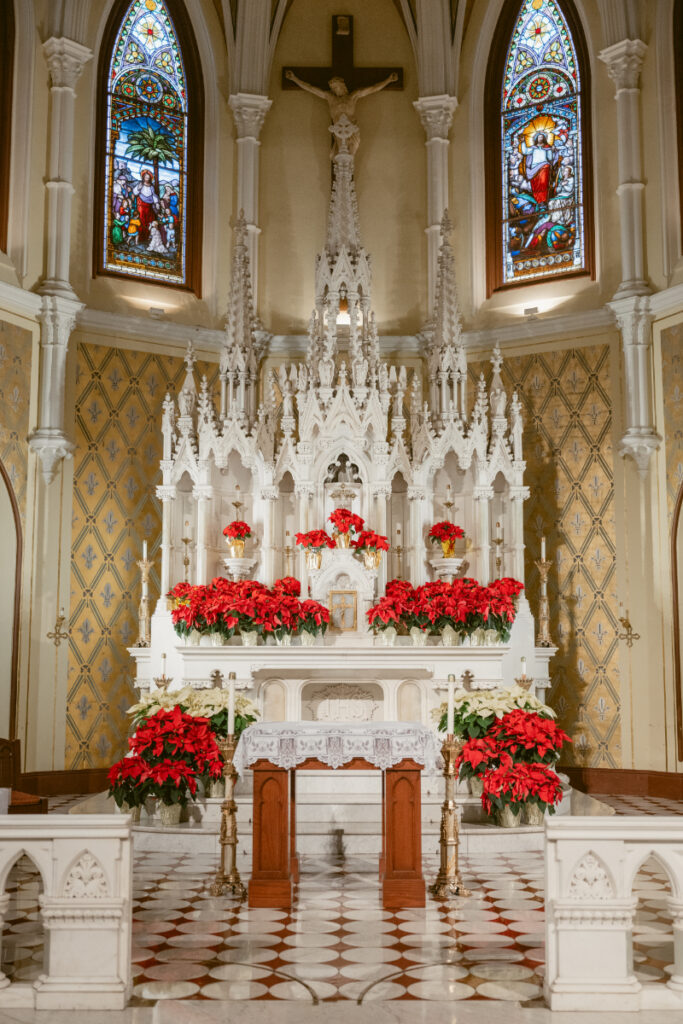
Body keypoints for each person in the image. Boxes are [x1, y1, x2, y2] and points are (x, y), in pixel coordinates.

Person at [285, 70, 398, 155]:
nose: (335, 90)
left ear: (343, 86)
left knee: (350, 160)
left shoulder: (353, 96)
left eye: (337, 87)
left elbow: (373, 88)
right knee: (340, 159)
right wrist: (294, 78)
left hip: (352, 131)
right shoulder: (330, 98)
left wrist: (388, 80)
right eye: (333, 88)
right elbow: (311, 88)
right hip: (339, 132)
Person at [518, 131, 559, 207]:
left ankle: (543, 200)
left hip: (544, 166)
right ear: (536, 138)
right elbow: (525, 151)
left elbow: (550, 158)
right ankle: (538, 201)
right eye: (539, 137)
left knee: (543, 183)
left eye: (542, 137)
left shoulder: (547, 148)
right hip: (533, 168)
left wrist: (552, 150)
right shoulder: (533, 148)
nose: (540, 138)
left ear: (544, 139)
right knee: (535, 185)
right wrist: (523, 142)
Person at [133, 168, 161, 245]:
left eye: (148, 178)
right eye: (146, 177)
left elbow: (154, 196)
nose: (147, 179)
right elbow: (135, 192)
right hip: (141, 205)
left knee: (150, 221)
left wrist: (157, 203)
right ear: (143, 177)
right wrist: (138, 188)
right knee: (141, 220)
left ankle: (148, 236)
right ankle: (141, 237)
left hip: (149, 206)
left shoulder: (151, 187)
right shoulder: (140, 184)